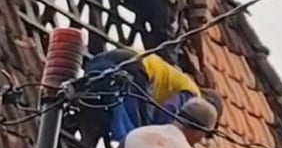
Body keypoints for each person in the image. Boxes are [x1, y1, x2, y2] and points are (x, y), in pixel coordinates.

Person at [113, 0, 242, 87]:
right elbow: (197, 23)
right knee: (166, 56)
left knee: (159, 37)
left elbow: (180, 20)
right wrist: (203, 63)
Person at [84, 47, 223, 142]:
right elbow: (167, 112)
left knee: (123, 119)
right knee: (139, 137)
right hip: (134, 70)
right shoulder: (193, 95)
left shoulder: (180, 83)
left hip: (101, 63)